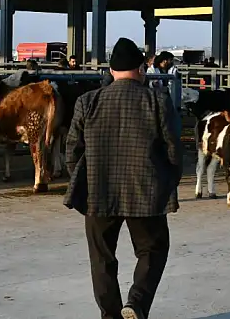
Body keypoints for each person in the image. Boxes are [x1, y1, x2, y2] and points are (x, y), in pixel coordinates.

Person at [63, 37, 182, 319]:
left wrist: (85, 179)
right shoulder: (157, 100)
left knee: (102, 257)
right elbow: (173, 149)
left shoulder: (87, 101)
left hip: (98, 191)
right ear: (141, 69)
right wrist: (168, 182)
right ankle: (136, 303)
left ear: (111, 70)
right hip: (145, 191)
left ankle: (111, 316)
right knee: (153, 249)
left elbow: (72, 150)